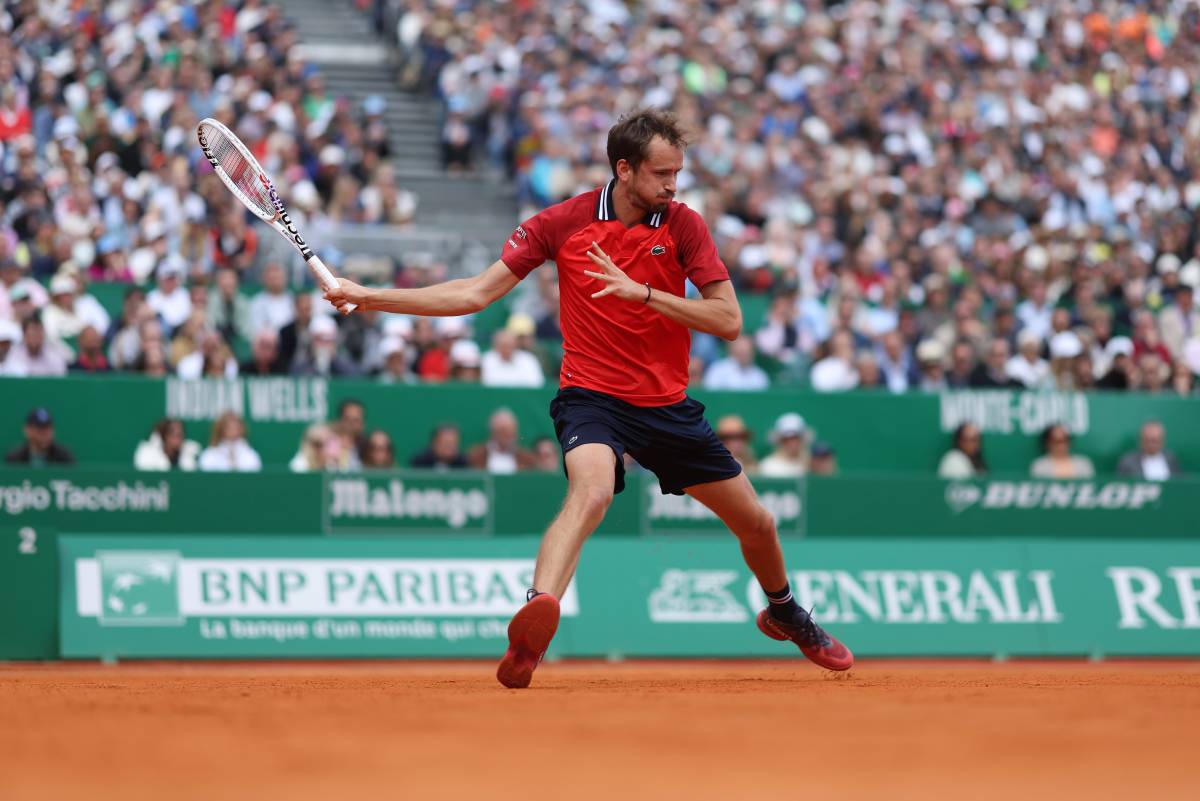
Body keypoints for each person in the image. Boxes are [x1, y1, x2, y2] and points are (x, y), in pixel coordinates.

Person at [325, 109, 852, 686]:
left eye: (677, 172)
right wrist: (370, 296)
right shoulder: (561, 222)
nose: (672, 185)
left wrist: (645, 294)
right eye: (661, 173)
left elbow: (728, 320)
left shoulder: (683, 226)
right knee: (593, 490)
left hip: (666, 405)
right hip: (591, 395)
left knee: (758, 524)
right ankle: (533, 625)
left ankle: (785, 612)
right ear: (624, 170)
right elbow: (474, 293)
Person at [467, 407, 535, 474]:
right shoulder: (476, 456)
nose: (508, 434)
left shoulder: (526, 458)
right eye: (503, 430)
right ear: (493, 432)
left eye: (511, 430)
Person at [4, 407, 75, 466]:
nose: (44, 434)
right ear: (27, 430)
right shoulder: (15, 459)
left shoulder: (64, 458)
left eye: (48, 429)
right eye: (39, 429)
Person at [1117, 420, 1182, 481]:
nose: (1151, 445)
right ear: (1141, 440)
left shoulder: (1170, 459)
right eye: (1148, 440)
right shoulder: (1128, 462)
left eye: (1155, 440)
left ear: (1162, 441)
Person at [198, 412, 262, 472]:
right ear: (221, 429)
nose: (233, 430)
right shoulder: (210, 454)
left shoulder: (250, 454)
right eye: (229, 427)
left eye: (236, 427)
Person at [480, 328, 544, 387]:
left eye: (510, 346)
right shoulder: (486, 359)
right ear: (495, 346)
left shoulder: (529, 360)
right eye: (503, 346)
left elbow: (536, 384)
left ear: (516, 345)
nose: (507, 349)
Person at [703, 335, 769, 391]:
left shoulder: (760, 376)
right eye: (741, 351)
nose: (744, 355)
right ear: (733, 351)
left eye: (747, 352)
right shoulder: (717, 370)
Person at [1030, 424, 1095, 480]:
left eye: (1064, 440)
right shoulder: (1039, 466)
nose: (1061, 445)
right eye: (1055, 440)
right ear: (1047, 442)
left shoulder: (1083, 464)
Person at [134, 418, 200, 471]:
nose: (178, 439)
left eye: (180, 435)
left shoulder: (189, 453)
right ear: (164, 436)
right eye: (174, 435)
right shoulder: (147, 453)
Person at [758, 412, 808, 477]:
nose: (792, 443)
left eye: (796, 438)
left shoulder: (809, 464)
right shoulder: (768, 466)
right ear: (779, 441)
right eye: (786, 439)